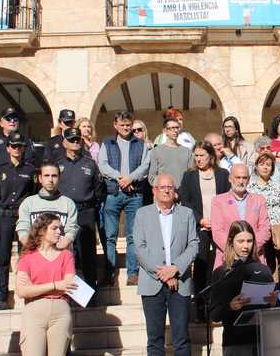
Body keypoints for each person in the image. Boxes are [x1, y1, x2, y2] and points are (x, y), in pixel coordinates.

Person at [132, 173, 204, 356]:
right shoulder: (142, 214)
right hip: (152, 284)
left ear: (175, 191)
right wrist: (162, 272)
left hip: (180, 282)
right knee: (155, 338)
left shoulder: (186, 214)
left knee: (181, 336)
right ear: (153, 190)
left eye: (169, 187)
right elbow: (139, 247)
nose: (165, 191)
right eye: (161, 187)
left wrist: (176, 269)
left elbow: (194, 244)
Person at [209, 221, 278, 356]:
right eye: (240, 241)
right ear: (231, 242)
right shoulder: (222, 272)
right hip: (236, 341)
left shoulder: (263, 269)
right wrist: (231, 306)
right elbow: (214, 314)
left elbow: (271, 305)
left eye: (249, 240)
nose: (246, 245)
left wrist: (274, 302)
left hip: (262, 338)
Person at [15, 214, 77, 356]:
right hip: (34, 312)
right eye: (55, 228)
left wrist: (44, 286)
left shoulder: (66, 255)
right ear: (42, 231)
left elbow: (69, 283)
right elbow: (22, 290)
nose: (59, 232)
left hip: (60, 311)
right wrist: (53, 284)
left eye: (60, 228)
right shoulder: (27, 257)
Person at [178, 141, 231, 321]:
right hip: (200, 227)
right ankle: (201, 308)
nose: (198, 159)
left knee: (219, 266)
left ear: (211, 156)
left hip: (220, 227)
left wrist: (217, 221)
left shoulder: (223, 175)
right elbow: (185, 201)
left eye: (202, 155)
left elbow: (228, 199)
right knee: (201, 265)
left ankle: (218, 307)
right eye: (196, 155)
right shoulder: (189, 176)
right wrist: (200, 219)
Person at [98, 111, 151, 285]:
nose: (126, 127)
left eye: (128, 124)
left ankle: (133, 274)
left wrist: (131, 178)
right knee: (110, 235)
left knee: (133, 236)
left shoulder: (140, 144)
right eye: (122, 125)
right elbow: (103, 165)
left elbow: (145, 166)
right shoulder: (107, 143)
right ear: (115, 125)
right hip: (113, 193)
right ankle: (109, 273)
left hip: (134, 195)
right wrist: (121, 178)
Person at [0, 132, 36, 310]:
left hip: (23, 217)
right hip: (5, 216)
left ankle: (28, 292)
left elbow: (33, 193)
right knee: (2, 256)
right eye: (14, 146)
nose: (17, 149)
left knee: (26, 255)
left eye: (20, 146)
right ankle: (1, 296)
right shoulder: (1, 170)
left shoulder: (30, 170)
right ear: (8, 148)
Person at [0, 107, 35, 251]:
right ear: (1, 123)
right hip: (0, 191)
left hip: (20, 192)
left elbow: (29, 162)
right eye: (9, 119)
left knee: (24, 234)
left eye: (15, 119)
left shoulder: (26, 142)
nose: (12, 121)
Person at [57, 128, 105, 288]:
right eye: (71, 140)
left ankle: (90, 292)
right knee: (67, 253)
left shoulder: (90, 163)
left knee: (88, 254)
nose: (75, 142)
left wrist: (91, 205)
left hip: (86, 213)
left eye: (77, 139)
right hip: (64, 214)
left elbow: (98, 189)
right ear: (64, 143)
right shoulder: (58, 165)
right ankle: (69, 292)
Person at [247, 152, 280, 304]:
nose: (265, 167)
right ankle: (263, 300)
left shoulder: (277, 186)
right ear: (256, 166)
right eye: (262, 164)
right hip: (259, 232)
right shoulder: (250, 188)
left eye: (268, 164)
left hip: (277, 231)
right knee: (265, 267)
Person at [212, 164, 271, 268]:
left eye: (244, 178)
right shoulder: (218, 201)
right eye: (237, 177)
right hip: (227, 260)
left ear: (248, 180)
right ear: (230, 179)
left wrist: (249, 248)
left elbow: (265, 229)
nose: (241, 181)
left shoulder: (259, 200)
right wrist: (234, 251)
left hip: (254, 259)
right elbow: (217, 231)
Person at [148, 116, 194, 187]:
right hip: (164, 194)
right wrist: (163, 189)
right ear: (165, 131)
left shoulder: (187, 151)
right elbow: (152, 177)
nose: (175, 130)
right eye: (172, 128)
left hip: (183, 194)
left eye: (177, 127)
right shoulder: (156, 151)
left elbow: (191, 176)